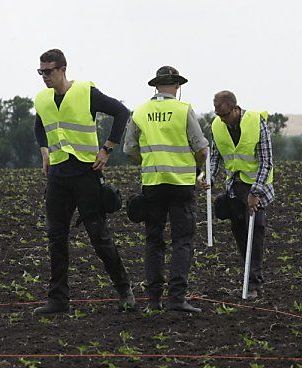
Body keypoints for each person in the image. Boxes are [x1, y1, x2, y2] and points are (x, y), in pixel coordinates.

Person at [33, 49, 134, 314]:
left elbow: (121, 112)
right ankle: (58, 300)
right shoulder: (42, 99)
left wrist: (107, 148)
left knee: (99, 237)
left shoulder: (85, 92)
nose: (45, 77)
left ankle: (125, 290)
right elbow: (39, 126)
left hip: (86, 175)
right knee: (56, 238)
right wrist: (44, 151)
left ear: (63, 69)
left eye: (49, 71)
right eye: (41, 72)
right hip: (57, 177)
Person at [123, 66, 208, 312]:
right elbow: (201, 149)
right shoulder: (183, 110)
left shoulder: (140, 111)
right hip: (181, 185)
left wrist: (148, 161)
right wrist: (195, 169)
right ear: (177, 86)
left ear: (156, 86)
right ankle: (177, 299)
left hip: (152, 184)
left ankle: (154, 300)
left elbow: (129, 150)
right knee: (182, 241)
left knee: (154, 241)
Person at [201, 90, 274, 299]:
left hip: (257, 186)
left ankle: (253, 282)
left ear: (235, 108)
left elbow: (266, 161)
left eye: (225, 114)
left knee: (255, 233)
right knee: (241, 234)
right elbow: (215, 157)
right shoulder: (217, 125)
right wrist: (209, 178)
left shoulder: (256, 122)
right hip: (234, 186)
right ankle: (250, 280)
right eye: (218, 114)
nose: (221, 119)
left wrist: (255, 192)